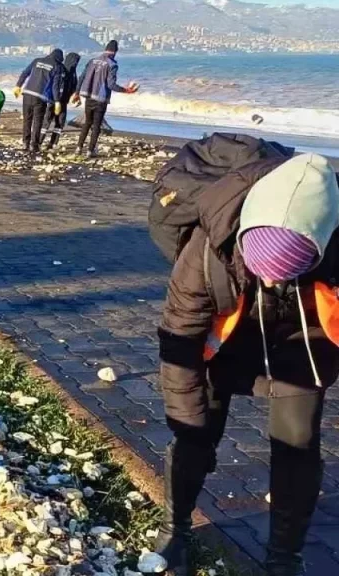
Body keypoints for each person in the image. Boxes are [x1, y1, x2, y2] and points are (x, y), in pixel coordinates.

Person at [155, 142, 339, 576]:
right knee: (194, 433)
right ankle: (174, 528)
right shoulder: (207, 246)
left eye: (288, 269)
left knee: (298, 444)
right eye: (263, 268)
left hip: (302, 338)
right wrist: (188, 420)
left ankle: (283, 559)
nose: (273, 278)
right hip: (227, 336)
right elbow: (179, 338)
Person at [73, 40, 138, 157]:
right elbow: (111, 85)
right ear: (115, 52)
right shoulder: (112, 64)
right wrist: (126, 90)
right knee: (97, 124)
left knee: (87, 122)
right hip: (100, 99)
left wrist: (77, 93)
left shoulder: (92, 61)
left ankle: (79, 147)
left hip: (88, 96)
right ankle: (90, 150)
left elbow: (82, 77)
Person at [13, 48, 65, 155]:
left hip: (27, 94)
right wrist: (57, 101)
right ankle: (34, 145)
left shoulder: (37, 60)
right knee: (37, 121)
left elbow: (25, 73)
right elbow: (55, 86)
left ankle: (25, 143)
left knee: (27, 120)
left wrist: (18, 85)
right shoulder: (57, 66)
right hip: (40, 97)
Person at [41, 52, 79, 151]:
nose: (75, 64)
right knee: (47, 121)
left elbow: (74, 86)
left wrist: (75, 96)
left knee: (60, 123)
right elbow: (57, 85)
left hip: (64, 102)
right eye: (75, 61)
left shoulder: (73, 72)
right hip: (55, 101)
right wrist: (57, 99)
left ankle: (53, 143)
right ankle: (39, 141)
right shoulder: (62, 69)